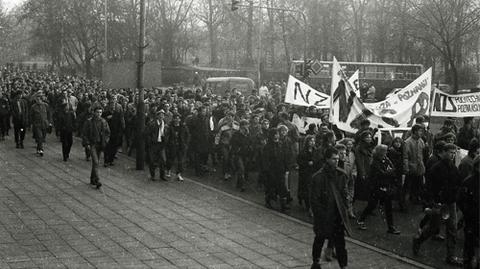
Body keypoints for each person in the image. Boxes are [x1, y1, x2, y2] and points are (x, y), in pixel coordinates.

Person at [413, 143, 463, 267]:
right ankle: (418, 240)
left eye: (453, 153)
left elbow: (458, 182)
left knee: (452, 229)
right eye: (450, 152)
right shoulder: (436, 168)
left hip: (450, 203)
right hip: (439, 203)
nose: (452, 155)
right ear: (444, 152)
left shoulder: (453, 167)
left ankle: (450, 256)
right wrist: (431, 203)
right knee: (433, 228)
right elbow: (429, 188)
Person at [310, 147, 350, 269]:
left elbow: (344, 193)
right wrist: (320, 215)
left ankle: (343, 265)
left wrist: (345, 208)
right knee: (320, 239)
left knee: (340, 243)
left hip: (337, 215)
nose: (336, 161)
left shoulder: (341, 174)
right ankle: (316, 262)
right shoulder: (318, 177)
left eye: (338, 159)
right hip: (324, 215)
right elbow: (314, 200)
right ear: (327, 159)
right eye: (333, 159)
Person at [357, 144, 401, 234]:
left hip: (385, 186)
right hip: (376, 187)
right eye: (384, 151)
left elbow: (393, 169)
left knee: (388, 206)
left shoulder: (386, 160)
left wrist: (389, 171)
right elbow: (382, 173)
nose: (386, 153)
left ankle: (391, 227)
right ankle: (361, 219)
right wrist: (389, 171)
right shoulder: (375, 163)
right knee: (372, 205)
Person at [456, 156, 479, 269]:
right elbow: (460, 200)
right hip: (471, 218)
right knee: (469, 244)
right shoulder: (469, 181)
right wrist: (467, 212)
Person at [82, 106, 110, 189]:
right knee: (96, 162)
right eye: (97, 112)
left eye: (100, 112)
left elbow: (108, 132)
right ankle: (97, 180)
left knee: (95, 162)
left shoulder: (103, 122)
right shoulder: (89, 122)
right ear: (94, 112)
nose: (99, 114)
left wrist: (105, 141)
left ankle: (92, 178)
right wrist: (86, 143)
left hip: (100, 144)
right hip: (92, 144)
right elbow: (84, 133)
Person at [264, 128, 291, 212]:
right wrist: (267, 170)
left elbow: (285, 156)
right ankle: (268, 200)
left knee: (282, 187)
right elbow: (266, 160)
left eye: (278, 134)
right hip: (272, 170)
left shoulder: (280, 144)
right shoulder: (268, 146)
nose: (277, 135)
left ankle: (283, 205)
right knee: (272, 187)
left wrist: (286, 167)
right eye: (275, 134)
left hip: (280, 169)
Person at [403, 124, 426, 206]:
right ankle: (404, 204)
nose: (421, 132)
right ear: (415, 131)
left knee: (418, 186)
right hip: (411, 168)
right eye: (420, 131)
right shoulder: (407, 142)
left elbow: (423, 153)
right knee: (408, 187)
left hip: (419, 168)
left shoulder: (421, 141)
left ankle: (415, 200)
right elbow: (405, 157)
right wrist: (406, 169)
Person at [297, 135, 321, 213]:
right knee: (306, 189)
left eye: (313, 141)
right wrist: (307, 163)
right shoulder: (303, 151)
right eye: (310, 141)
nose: (312, 143)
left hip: (313, 171)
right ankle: (307, 204)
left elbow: (318, 160)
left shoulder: (316, 150)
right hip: (305, 172)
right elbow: (299, 161)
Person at [165, 113, 189, 181]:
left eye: (178, 118)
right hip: (172, 145)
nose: (177, 120)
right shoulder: (170, 126)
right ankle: (168, 170)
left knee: (180, 161)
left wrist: (185, 143)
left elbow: (187, 135)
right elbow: (167, 135)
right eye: (176, 118)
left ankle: (178, 174)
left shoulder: (183, 126)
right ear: (173, 119)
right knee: (171, 159)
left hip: (180, 145)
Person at [230, 119, 252, 192]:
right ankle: (242, 185)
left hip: (246, 154)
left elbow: (250, 143)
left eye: (247, 125)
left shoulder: (248, 134)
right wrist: (237, 150)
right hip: (238, 154)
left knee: (243, 170)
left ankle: (239, 183)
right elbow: (233, 143)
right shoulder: (236, 134)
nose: (246, 127)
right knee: (241, 168)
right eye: (244, 126)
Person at [146, 110, 167, 181]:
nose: (161, 116)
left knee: (163, 160)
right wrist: (150, 141)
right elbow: (147, 133)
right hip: (154, 144)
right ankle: (153, 175)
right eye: (160, 115)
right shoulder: (152, 124)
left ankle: (162, 175)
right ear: (157, 116)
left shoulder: (165, 124)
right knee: (152, 160)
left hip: (161, 144)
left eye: (163, 115)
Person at [30, 92, 52, 156]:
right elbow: (31, 116)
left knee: (43, 137)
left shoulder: (45, 105)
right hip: (37, 124)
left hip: (45, 124)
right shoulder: (33, 107)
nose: (38, 100)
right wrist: (32, 124)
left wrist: (50, 122)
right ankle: (41, 149)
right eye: (37, 99)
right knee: (39, 136)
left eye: (39, 99)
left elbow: (49, 114)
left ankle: (38, 147)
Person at [387, 137, 405, 211]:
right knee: (394, 189)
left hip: (397, 172)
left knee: (396, 189)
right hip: (394, 173)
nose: (398, 144)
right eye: (396, 142)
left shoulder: (399, 151)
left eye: (399, 142)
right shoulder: (392, 151)